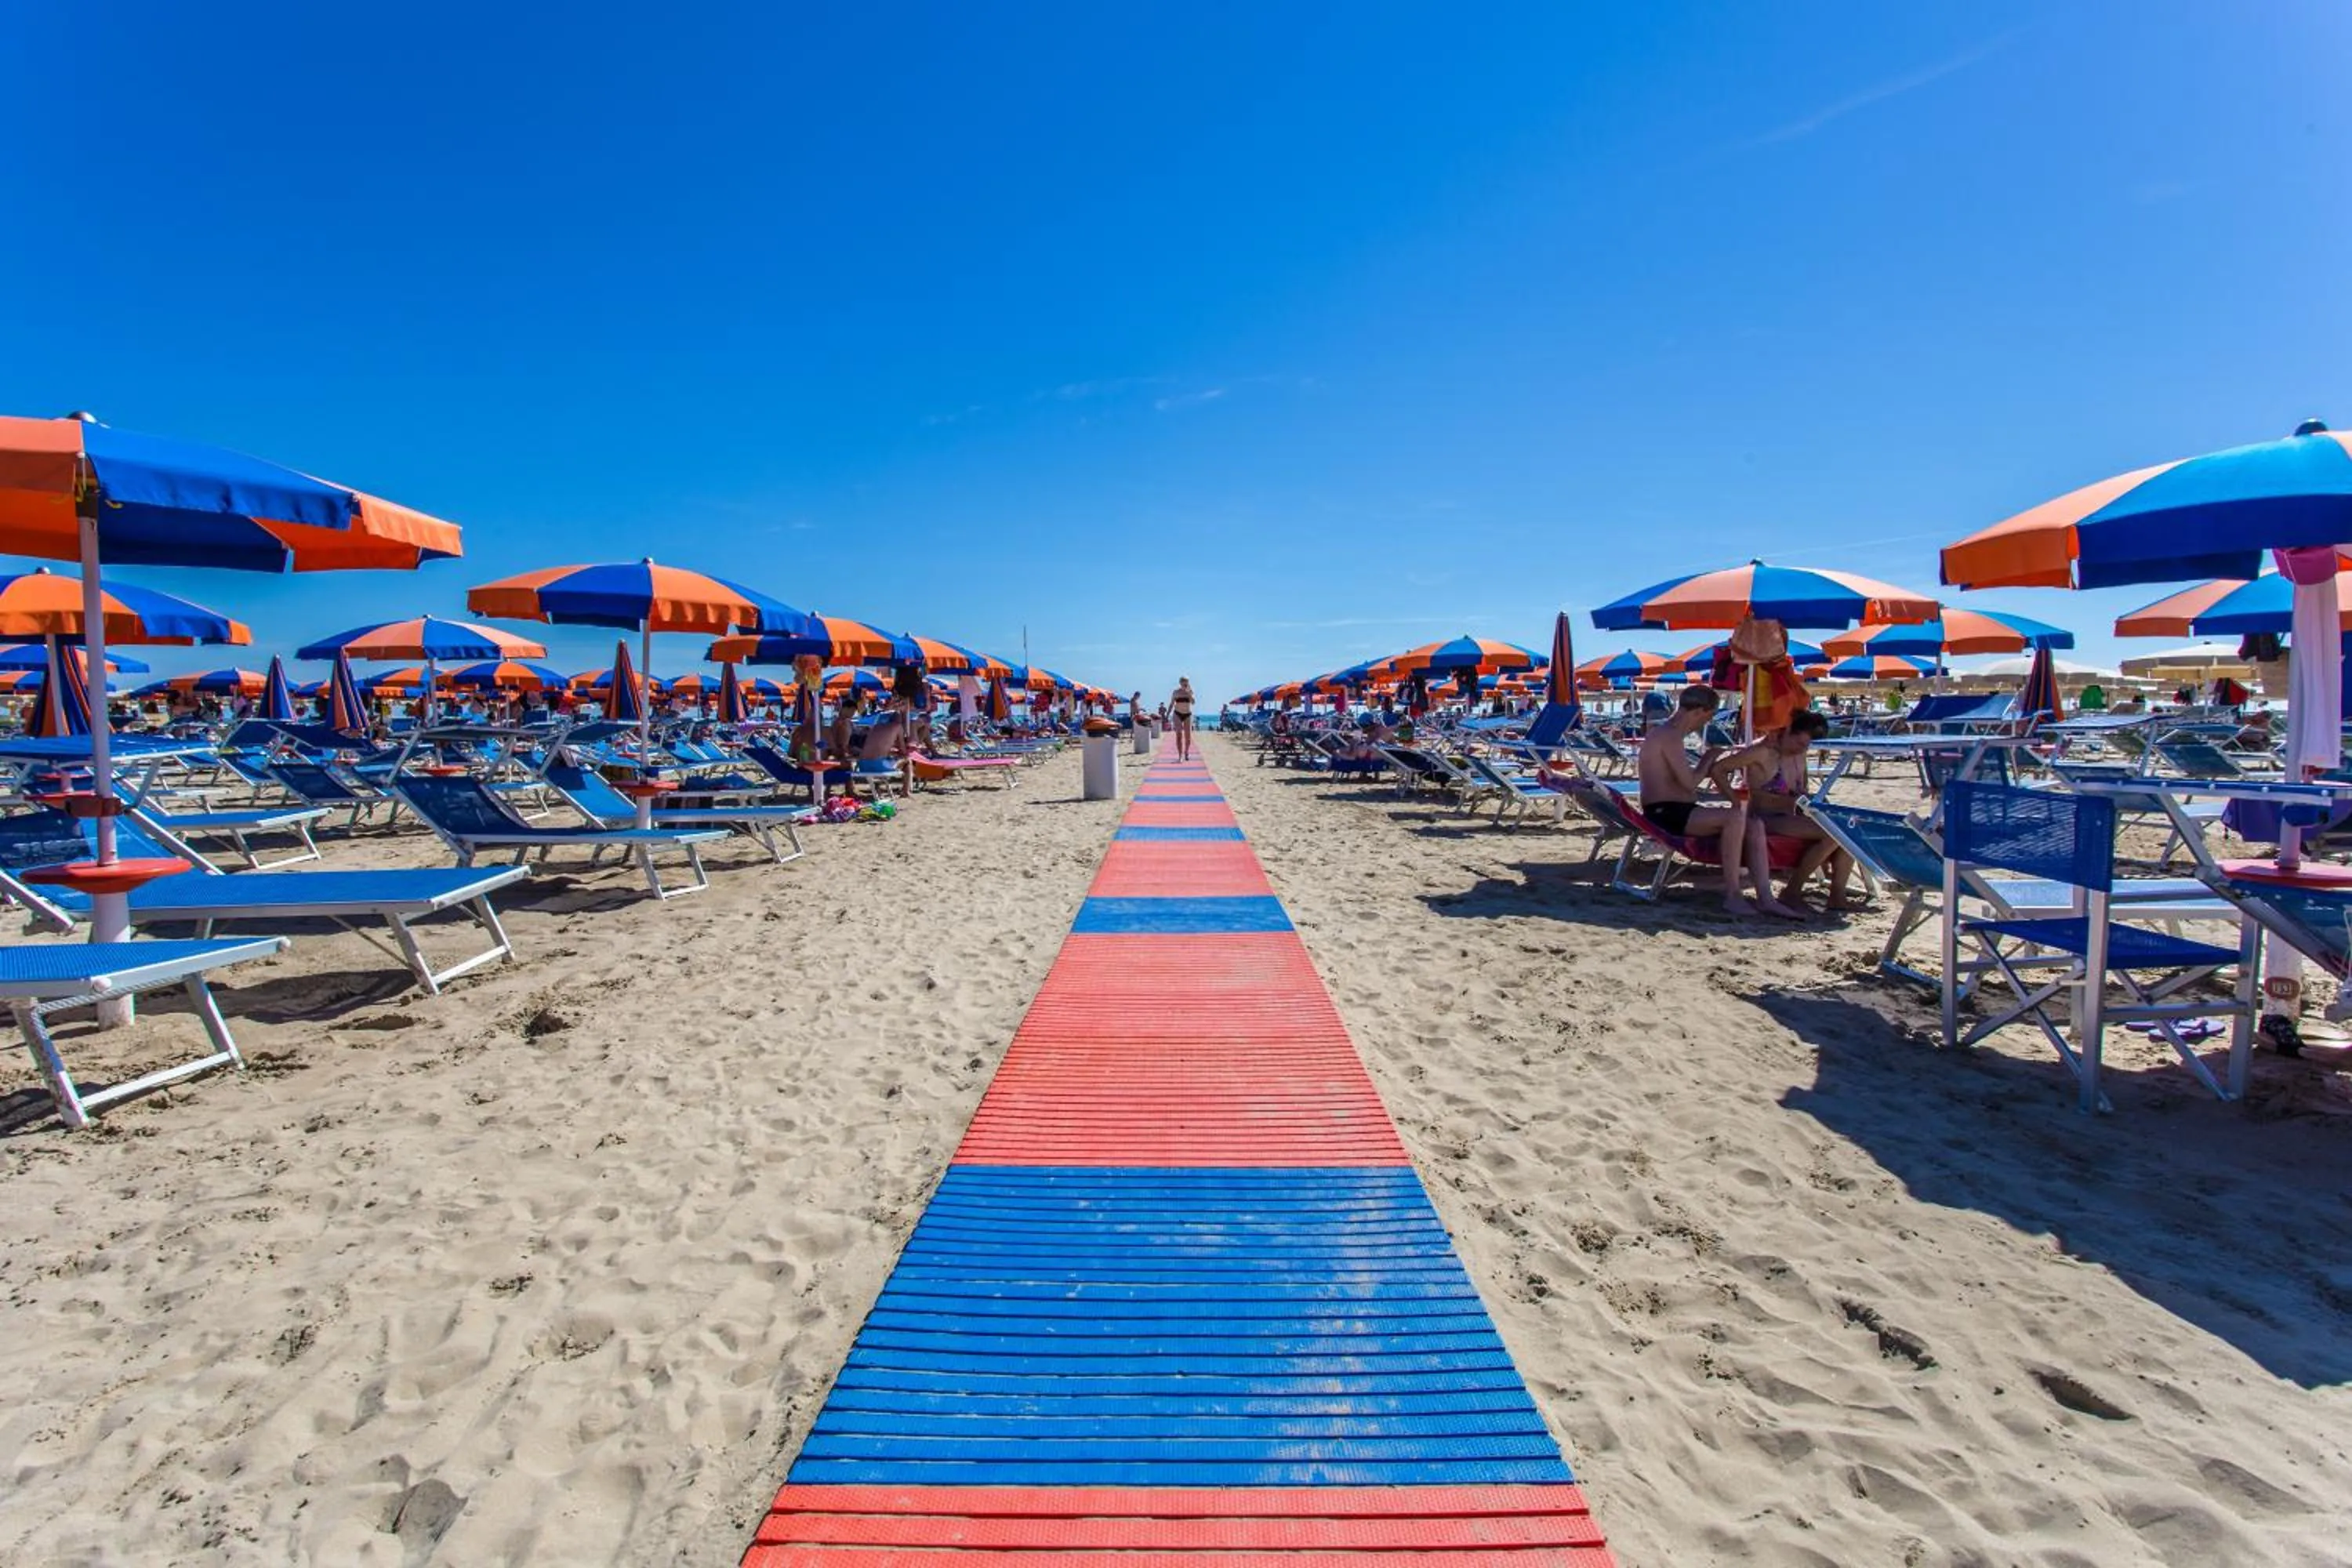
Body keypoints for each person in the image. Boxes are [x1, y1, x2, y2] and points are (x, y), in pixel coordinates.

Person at [1638, 685, 1805, 920]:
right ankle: (1733, 895)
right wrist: (1709, 758)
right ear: (1700, 711)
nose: (1706, 723)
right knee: (1735, 817)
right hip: (1665, 812)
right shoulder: (1669, 735)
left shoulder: (1668, 734)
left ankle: (1766, 898)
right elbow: (1689, 784)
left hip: (1678, 809)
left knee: (1754, 823)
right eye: (1708, 716)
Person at [1716, 710, 1856, 909]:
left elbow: (1802, 789)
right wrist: (1736, 802)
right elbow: (1718, 769)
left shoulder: (1798, 754)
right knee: (1836, 834)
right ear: (1789, 730)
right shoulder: (1762, 752)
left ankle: (1837, 896)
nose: (1802, 750)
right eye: (1800, 744)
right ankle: (1792, 891)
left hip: (1790, 816)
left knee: (1848, 828)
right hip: (1764, 817)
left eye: (1806, 746)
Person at [1169, 677, 1197, 760]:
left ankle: (1187, 752)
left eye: (1187, 682)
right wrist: (1167, 715)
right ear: (1180, 682)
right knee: (1179, 735)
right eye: (1183, 681)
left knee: (1188, 737)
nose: (1185, 683)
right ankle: (1180, 755)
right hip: (1177, 714)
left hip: (1187, 715)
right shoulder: (1176, 692)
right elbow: (1171, 704)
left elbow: (1193, 702)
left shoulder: (1190, 691)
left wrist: (1188, 693)